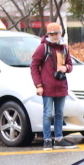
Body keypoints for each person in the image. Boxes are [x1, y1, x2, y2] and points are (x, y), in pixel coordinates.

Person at [30, 21, 74, 150]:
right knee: (48, 114)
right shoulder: (43, 48)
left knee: (59, 114)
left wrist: (65, 68)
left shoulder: (64, 48)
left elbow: (70, 65)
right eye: (52, 34)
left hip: (61, 85)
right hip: (47, 86)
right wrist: (38, 85)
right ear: (48, 34)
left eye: (56, 33)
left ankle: (59, 138)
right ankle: (47, 139)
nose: (54, 36)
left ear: (60, 33)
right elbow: (33, 67)